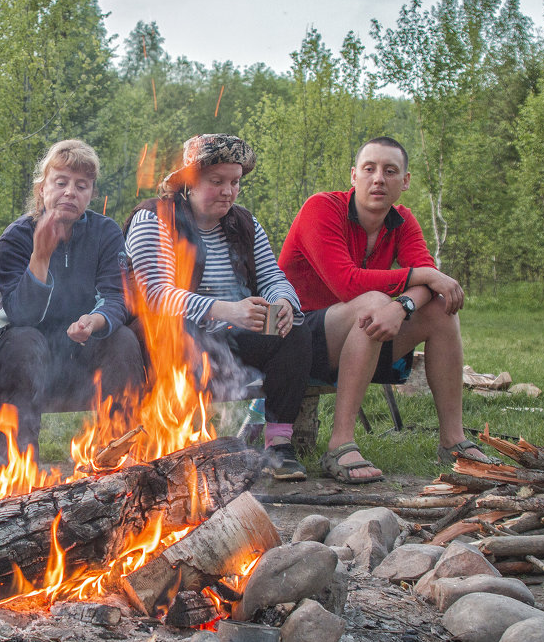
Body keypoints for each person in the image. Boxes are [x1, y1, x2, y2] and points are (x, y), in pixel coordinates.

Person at [278, 135, 495, 483]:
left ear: (405, 181)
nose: (378, 178)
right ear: (353, 176)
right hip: (297, 339)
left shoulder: (403, 221)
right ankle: (340, 443)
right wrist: (420, 276)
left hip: (363, 338)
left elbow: (432, 287)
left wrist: (403, 306)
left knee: (439, 310)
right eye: (369, 169)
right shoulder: (321, 208)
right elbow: (347, 283)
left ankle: (453, 441)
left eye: (390, 170)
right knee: (374, 302)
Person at [123, 134, 312, 480]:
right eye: (217, 181)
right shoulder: (154, 217)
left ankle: (278, 446)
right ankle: (178, 448)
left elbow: (272, 277)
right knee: (177, 332)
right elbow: (155, 296)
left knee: (296, 331)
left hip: (229, 335)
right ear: (189, 182)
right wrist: (225, 309)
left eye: (235, 182)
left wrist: (283, 301)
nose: (228, 191)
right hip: (166, 336)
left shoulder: (244, 223)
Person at [0, 139, 144, 464]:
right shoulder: (17, 237)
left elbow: (118, 298)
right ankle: (19, 462)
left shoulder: (106, 233)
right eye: (61, 183)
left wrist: (95, 322)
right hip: (17, 357)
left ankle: (118, 455)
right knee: (25, 342)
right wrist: (40, 257)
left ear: (91, 194)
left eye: (81, 185)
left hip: (76, 358)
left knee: (122, 337)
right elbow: (20, 315)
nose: (70, 192)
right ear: (42, 189)